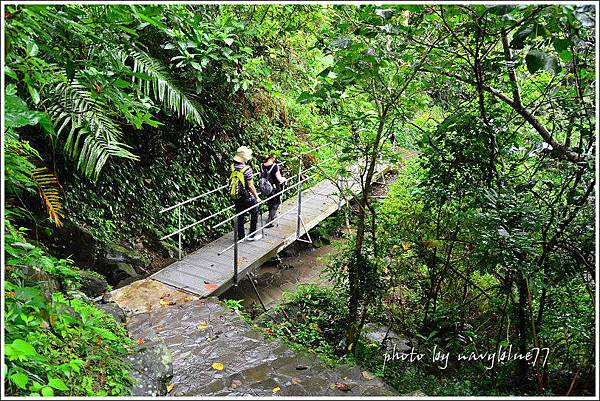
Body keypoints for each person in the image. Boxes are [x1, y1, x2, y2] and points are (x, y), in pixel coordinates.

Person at [231, 146, 262, 241]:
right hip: (246, 196)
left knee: (240, 214)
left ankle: (241, 236)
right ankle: (252, 235)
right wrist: (257, 197)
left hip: (236, 195)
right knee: (255, 211)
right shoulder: (246, 169)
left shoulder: (232, 167)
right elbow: (250, 185)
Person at [261, 154, 287, 228]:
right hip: (275, 187)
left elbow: (260, 175)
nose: (275, 159)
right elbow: (279, 179)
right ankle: (270, 220)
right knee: (276, 202)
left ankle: (271, 215)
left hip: (266, 188)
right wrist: (284, 179)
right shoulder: (275, 166)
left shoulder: (262, 165)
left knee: (270, 202)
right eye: (274, 158)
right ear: (271, 158)